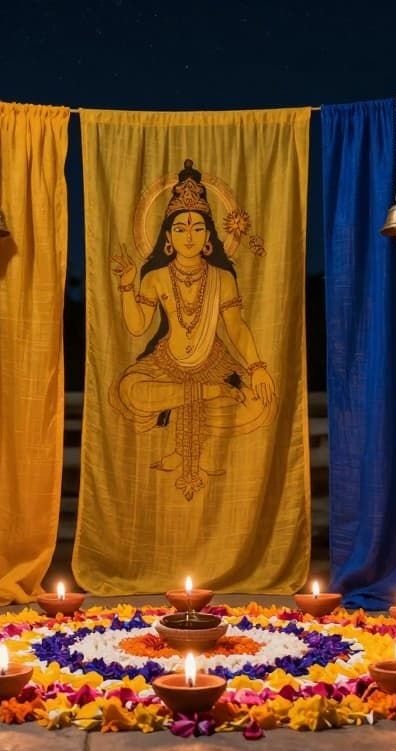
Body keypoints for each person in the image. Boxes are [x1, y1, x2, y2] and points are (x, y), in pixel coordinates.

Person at [109, 159, 276, 499]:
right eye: (181, 229)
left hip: (214, 363)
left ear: (209, 236)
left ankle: (195, 402)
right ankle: (209, 393)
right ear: (167, 236)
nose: (189, 236)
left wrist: (257, 369)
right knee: (130, 389)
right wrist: (127, 286)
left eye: (197, 228)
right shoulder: (155, 277)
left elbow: (236, 327)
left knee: (261, 402)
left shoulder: (222, 278)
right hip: (166, 364)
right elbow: (138, 326)